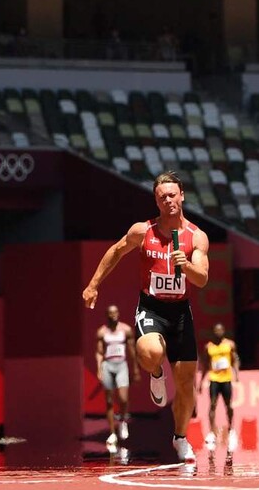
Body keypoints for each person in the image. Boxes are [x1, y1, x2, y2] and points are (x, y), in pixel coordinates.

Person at [82, 171, 210, 463]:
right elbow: (116, 251)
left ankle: (180, 438)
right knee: (151, 351)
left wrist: (186, 266)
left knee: (186, 382)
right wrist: (93, 285)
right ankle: (155, 373)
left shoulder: (196, 236)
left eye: (172, 194)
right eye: (162, 196)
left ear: (182, 196)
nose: (168, 200)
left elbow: (201, 278)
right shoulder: (143, 231)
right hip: (151, 307)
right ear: (156, 200)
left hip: (180, 312)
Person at [96, 305, 139, 454]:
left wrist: (135, 369)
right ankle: (112, 433)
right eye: (110, 313)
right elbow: (99, 352)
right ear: (107, 315)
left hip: (121, 365)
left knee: (123, 398)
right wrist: (99, 368)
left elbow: (132, 350)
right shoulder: (102, 332)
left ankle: (123, 421)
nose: (113, 315)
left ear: (118, 314)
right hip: (108, 365)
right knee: (108, 400)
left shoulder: (125, 330)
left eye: (115, 312)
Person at [200, 322, 240, 453]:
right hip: (214, 379)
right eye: (216, 330)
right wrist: (201, 381)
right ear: (213, 332)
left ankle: (231, 429)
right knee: (212, 404)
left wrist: (236, 373)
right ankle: (212, 432)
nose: (218, 332)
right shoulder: (209, 347)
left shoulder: (230, 344)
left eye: (221, 330)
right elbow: (205, 364)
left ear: (224, 331)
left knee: (228, 405)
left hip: (226, 379)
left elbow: (235, 359)